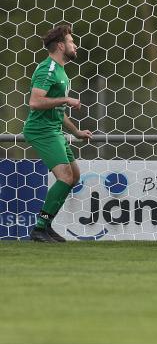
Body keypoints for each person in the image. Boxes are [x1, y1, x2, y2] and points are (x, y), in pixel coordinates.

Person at [25, 25, 93, 242]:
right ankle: (39, 228)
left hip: (54, 130)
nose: (75, 45)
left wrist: (77, 132)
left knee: (74, 177)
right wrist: (65, 99)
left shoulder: (61, 70)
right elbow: (35, 102)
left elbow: (57, 111)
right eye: (72, 42)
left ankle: (46, 225)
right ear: (61, 46)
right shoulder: (48, 69)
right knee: (64, 177)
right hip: (41, 131)